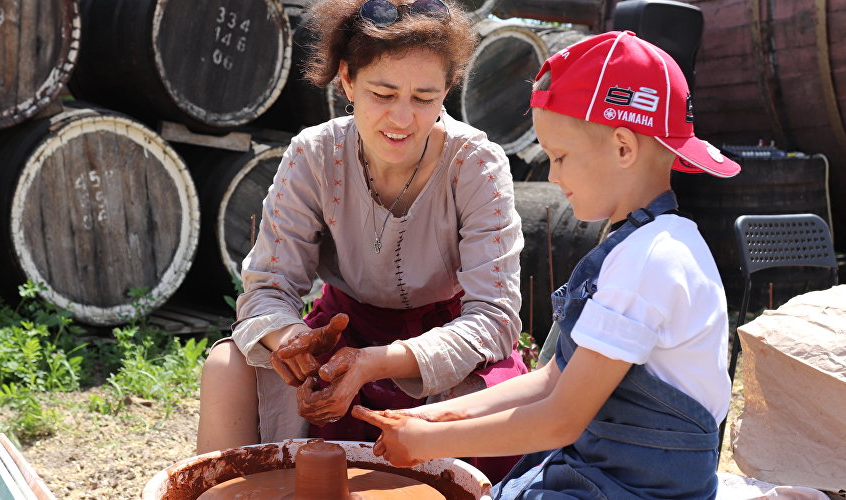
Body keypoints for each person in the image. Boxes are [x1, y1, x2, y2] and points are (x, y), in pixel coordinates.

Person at [352, 30, 742, 498]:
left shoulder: (651, 261)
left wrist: (429, 443)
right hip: (604, 471)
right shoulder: (643, 244)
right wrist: (433, 415)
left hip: (639, 488)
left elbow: (561, 419)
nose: (552, 175)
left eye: (559, 156)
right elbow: (555, 378)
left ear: (623, 148)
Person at [196, 0, 527, 482]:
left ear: (448, 90)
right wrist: (295, 343)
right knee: (227, 365)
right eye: (383, 92)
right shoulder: (314, 154)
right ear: (347, 80)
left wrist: (376, 364)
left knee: (474, 408)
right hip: (340, 334)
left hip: (444, 345)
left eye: (424, 97)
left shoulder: (474, 163)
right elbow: (267, 287)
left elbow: (494, 318)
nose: (402, 118)